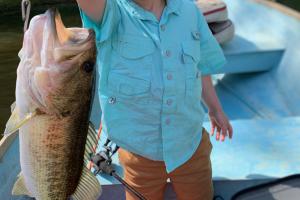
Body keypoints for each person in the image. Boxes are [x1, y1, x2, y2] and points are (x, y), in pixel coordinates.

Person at [77, 0, 233, 199]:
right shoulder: (110, 11)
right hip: (139, 153)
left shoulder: (189, 11)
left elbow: (200, 65)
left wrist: (215, 108)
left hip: (190, 145)